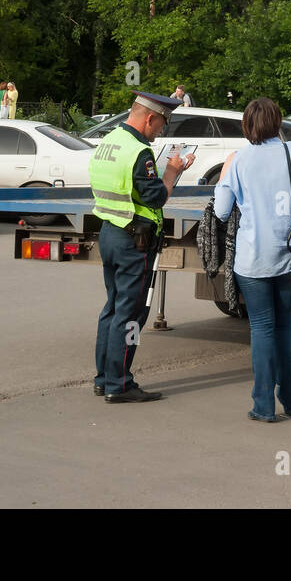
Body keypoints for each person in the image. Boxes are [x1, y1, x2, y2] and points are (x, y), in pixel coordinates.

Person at [213, 97, 291, 422]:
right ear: (277, 122)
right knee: (284, 324)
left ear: (247, 125)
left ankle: (263, 405)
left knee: (261, 327)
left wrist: (225, 175)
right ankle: (289, 396)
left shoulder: (240, 159)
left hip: (253, 258)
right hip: (290, 255)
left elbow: (220, 211)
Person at [90, 91, 194, 402]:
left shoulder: (109, 142)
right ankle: (119, 384)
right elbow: (156, 198)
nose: (161, 130)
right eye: (162, 123)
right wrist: (173, 173)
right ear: (150, 118)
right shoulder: (139, 152)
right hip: (134, 241)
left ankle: (103, 379)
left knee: (112, 309)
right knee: (131, 313)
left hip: (110, 232)